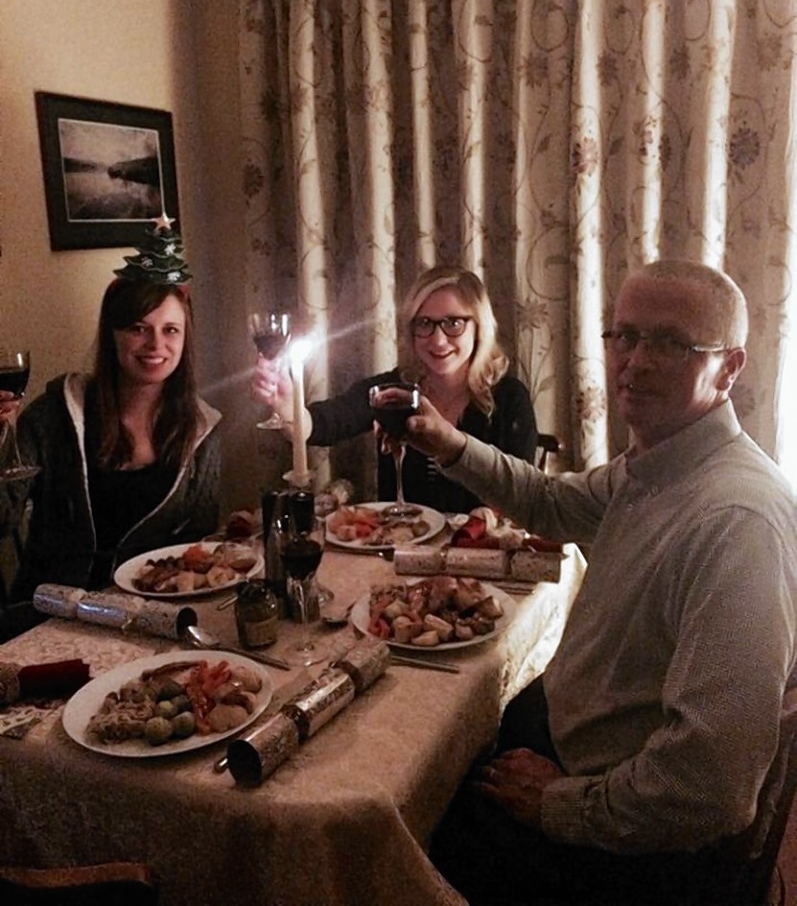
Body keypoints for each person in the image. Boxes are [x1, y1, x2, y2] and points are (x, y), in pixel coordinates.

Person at [403, 260, 797, 905]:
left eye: (669, 342)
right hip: (585, 746)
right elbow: (552, 504)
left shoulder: (737, 523)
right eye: (624, 335)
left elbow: (712, 787)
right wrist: (446, 442)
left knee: (410, 826)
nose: (635, 361)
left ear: (729, 367)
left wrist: (561, 804)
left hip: (635, 846)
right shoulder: (660, 464)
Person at [0, 219, 221, 639]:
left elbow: (197, 541)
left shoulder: (201, 429)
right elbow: (1, 519)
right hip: (49, 617)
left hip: (148, 620)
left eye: (170, 329)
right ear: (113, 334)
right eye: (138, 328)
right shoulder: (53, 417)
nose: (156, 345)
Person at [251, 265, 537, 513]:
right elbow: (327, 422)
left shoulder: (510, 398)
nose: (438, 340)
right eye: (424, 323)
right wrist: (288, 407)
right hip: (400, 555)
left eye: (453, 323)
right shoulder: (393, 391)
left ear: (479, 328)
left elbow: (522, 494)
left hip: (479, 555)